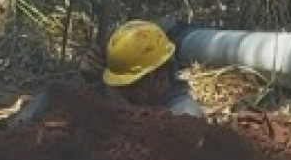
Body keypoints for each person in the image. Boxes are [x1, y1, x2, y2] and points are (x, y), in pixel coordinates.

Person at [12, 20, 203, 126]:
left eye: (131, 86)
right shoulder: (140, 98)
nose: (126, 95)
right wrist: (95, 84)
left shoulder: (185, 116)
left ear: (160, 78)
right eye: (121, 87)